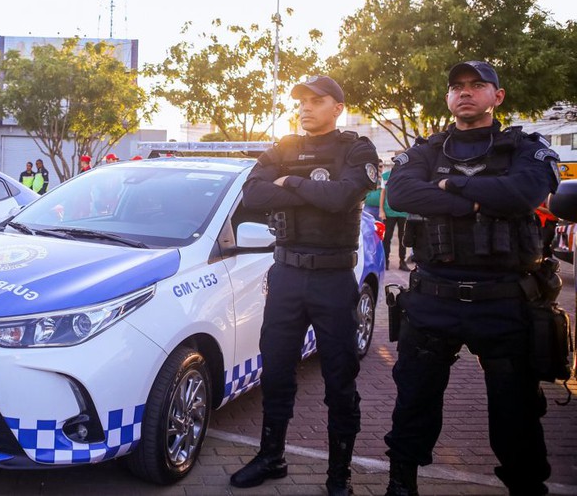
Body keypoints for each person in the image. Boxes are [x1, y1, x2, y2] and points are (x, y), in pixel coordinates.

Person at [383, 61, 560, 496]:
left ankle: (525, 484)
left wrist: (451, 190)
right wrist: (481, 202)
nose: (466, 93)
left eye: (477, 86)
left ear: (496, 97)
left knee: (516, 409)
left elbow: (524, 192)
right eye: (457, 87)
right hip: (433, 299)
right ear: (448, 98)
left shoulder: (525, 147)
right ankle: (401, 483)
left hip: (505, 301)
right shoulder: (425, 150)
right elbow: (402, 193)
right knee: (414, 401)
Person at [232, 75, 379, 495]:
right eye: (301, 101)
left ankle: (339, 474)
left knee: (339, 377)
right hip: (287, 276)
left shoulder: (356, 148)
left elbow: (342, 198)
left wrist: (290, 184)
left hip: (333, 279)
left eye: (317, 100)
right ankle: (270, 456)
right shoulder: (283, 146)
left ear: (337, 107)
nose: (305, 107)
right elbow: (252, 196)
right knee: (276, 370)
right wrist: (315, 189)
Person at [378, 165, 410, 271]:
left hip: (403, 212)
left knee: (403, 238)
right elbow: (383, 192)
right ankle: (385, 261)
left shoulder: (407, 175)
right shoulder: (386, 176)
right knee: (387, 238)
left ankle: (402, 261)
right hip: (389, 212)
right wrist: (381, 210)